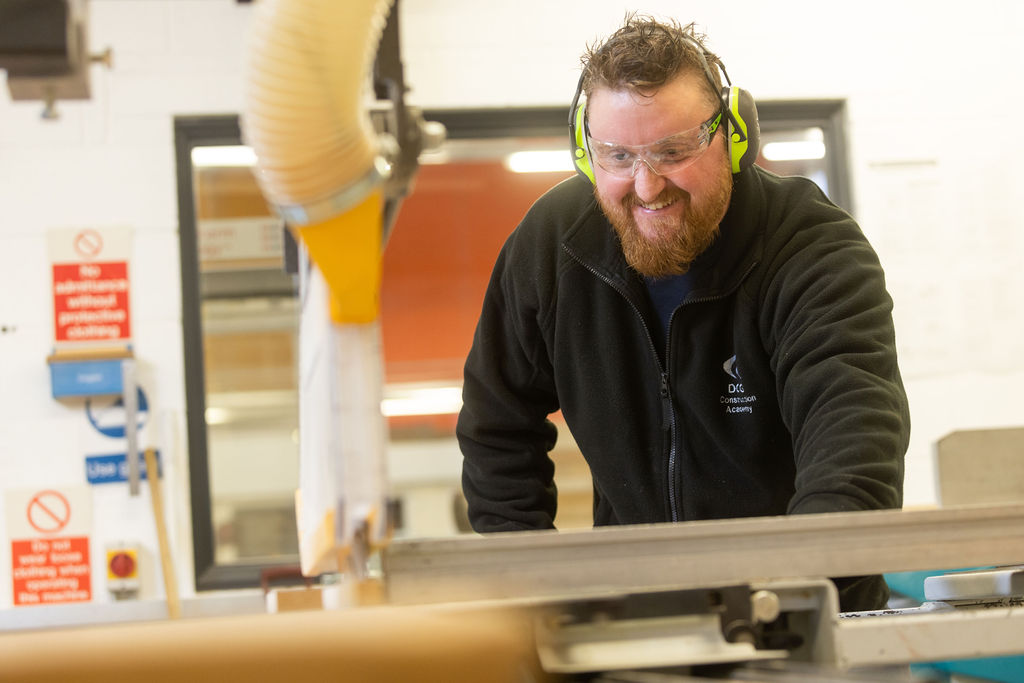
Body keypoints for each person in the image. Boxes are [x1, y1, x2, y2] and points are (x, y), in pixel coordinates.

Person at [456, 14, 910, 613]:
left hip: (812, 620)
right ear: (585, 153)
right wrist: (541, 599)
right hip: (638, 630)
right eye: (617, 156)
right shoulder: (552, 246)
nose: (646, 187)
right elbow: (497, 428)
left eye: (672, 151)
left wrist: (785, 610)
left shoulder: (812, 250)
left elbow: (854, 455)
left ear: (733, 134)